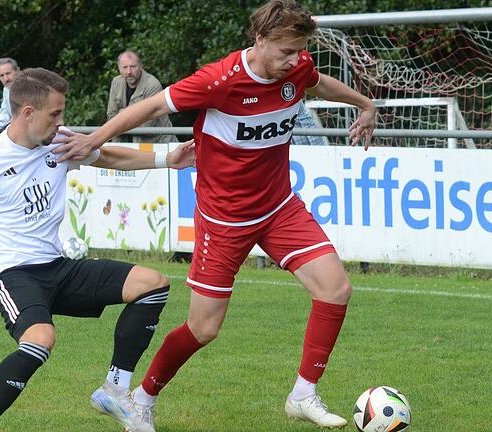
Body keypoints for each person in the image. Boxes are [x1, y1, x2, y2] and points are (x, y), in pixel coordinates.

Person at [54, 1, 377, 429]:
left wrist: (364, 104)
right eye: (284, 51)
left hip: (279, 206)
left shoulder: (296, 68)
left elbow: (319, 84)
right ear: (259, 40)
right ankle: (142, 398)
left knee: (335, 289)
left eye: (298, 51)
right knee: (203, 329)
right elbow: (151, 108)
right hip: (223, 220)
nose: (293, 61)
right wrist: (93, 138)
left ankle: (303, 394)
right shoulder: (219, 80)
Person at [0, 67, 195, 432]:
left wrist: (167, 159)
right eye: (55, 114)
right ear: (27, 112)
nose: (62, 121)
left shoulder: (58, 142)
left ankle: (115, 389)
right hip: (9, 274)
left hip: (57, 267)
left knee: (151, 283)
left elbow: (106, 156)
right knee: (41, 338)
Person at [107, 50, 176, 143]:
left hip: (157, 144)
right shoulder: (116, 82)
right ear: (119, 68)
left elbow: (147, 125)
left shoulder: (152, 84)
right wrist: (136, 116)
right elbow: (111, 117)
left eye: (133, 67)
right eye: (124, 67)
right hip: (123, 144)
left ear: (140, 66)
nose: (129, 72)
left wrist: (122, 115)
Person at [0, 57, 20, 124]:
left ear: (17, 71)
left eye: (8, 73)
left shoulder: (30, 87)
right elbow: (5, 112)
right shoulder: (6, 89)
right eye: (2, 75)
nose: (6, 79)